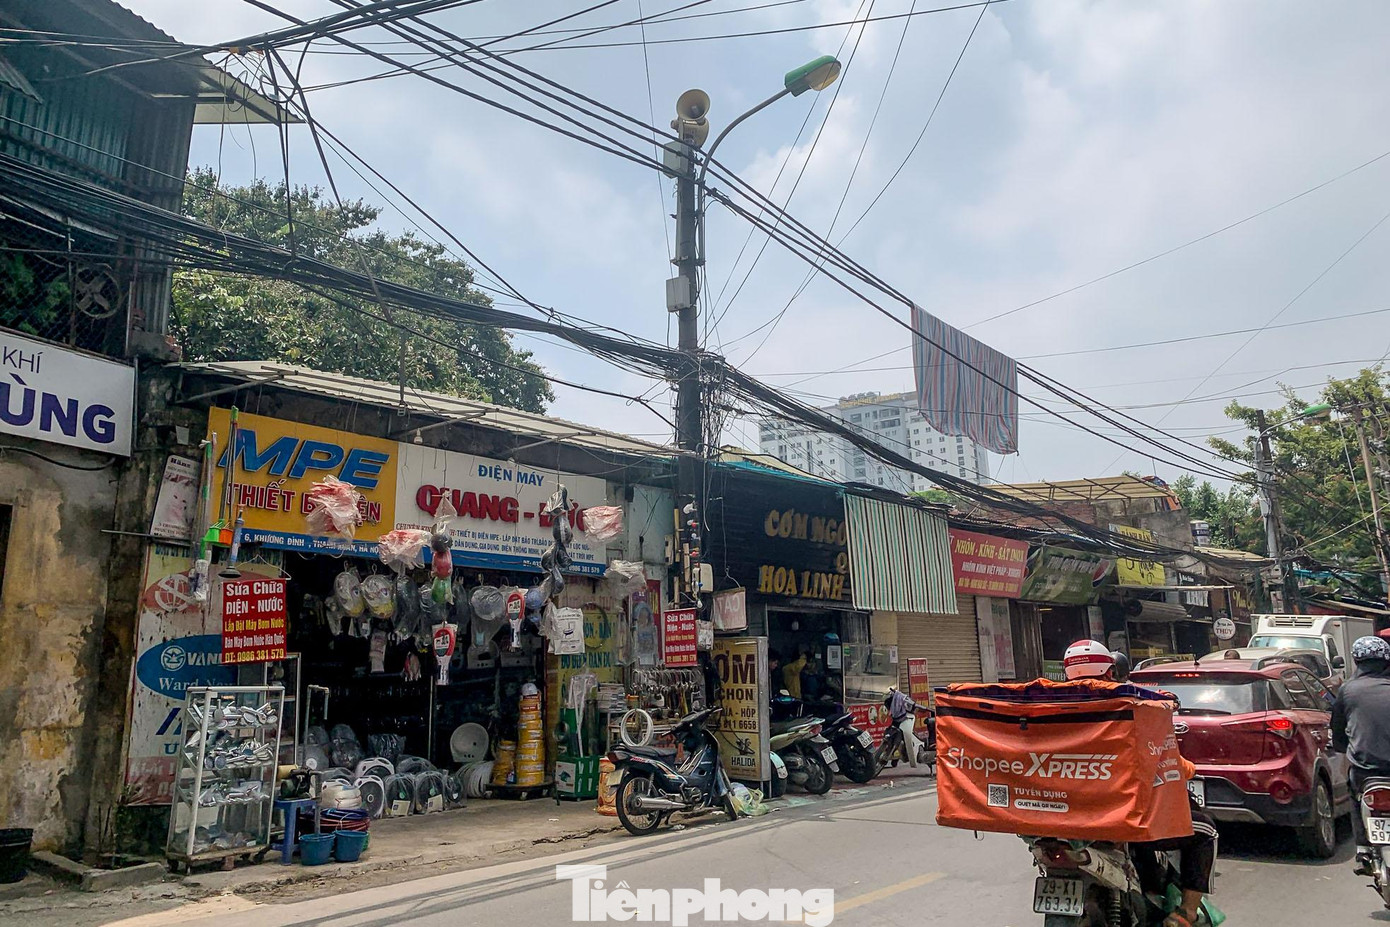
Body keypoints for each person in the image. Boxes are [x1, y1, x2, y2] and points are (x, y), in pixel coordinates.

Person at [1062, 640, 1217, 927]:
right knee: (1205, 829)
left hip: (1068, 816)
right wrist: (1188, 768)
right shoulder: (1132, 706)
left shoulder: (1050, 705)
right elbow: (1165, 761)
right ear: (1110, 672)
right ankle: (1187, 913)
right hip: (1121, 815)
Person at [1332, 635, 1390, 876]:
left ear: (1356, 660)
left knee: (1355, 797)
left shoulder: (1347, 690)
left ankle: (1363, 849)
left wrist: (1343, 749)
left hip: (1366, 768)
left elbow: (1337, 730)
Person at [883, 685, 924, 768]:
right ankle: (894, 757)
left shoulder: (904, 705)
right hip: (897, 722)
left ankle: (897, 758)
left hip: (903, 720)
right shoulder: (895, 707)